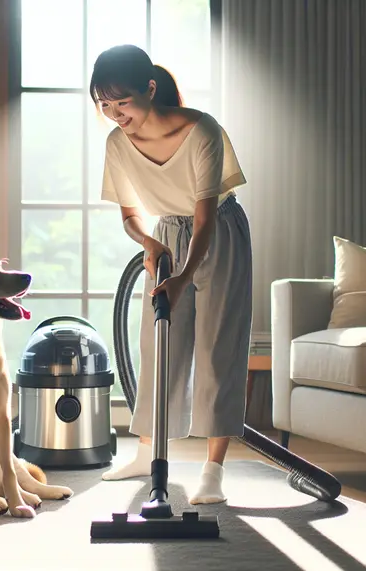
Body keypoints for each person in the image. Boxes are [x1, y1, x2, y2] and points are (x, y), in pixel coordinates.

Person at [91, 44, 253, 505]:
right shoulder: (116, 145)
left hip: (218, 233)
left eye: (121, 101)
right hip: (167, 236)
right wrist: (151, 243)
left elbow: (204, 218)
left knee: (218, 346)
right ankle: (148, 452)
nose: (114, 113)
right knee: (159, 345)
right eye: (104, 105)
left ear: (150, 88)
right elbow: (128, 214)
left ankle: (214, 469)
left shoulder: (202, 130)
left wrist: (183, 277)